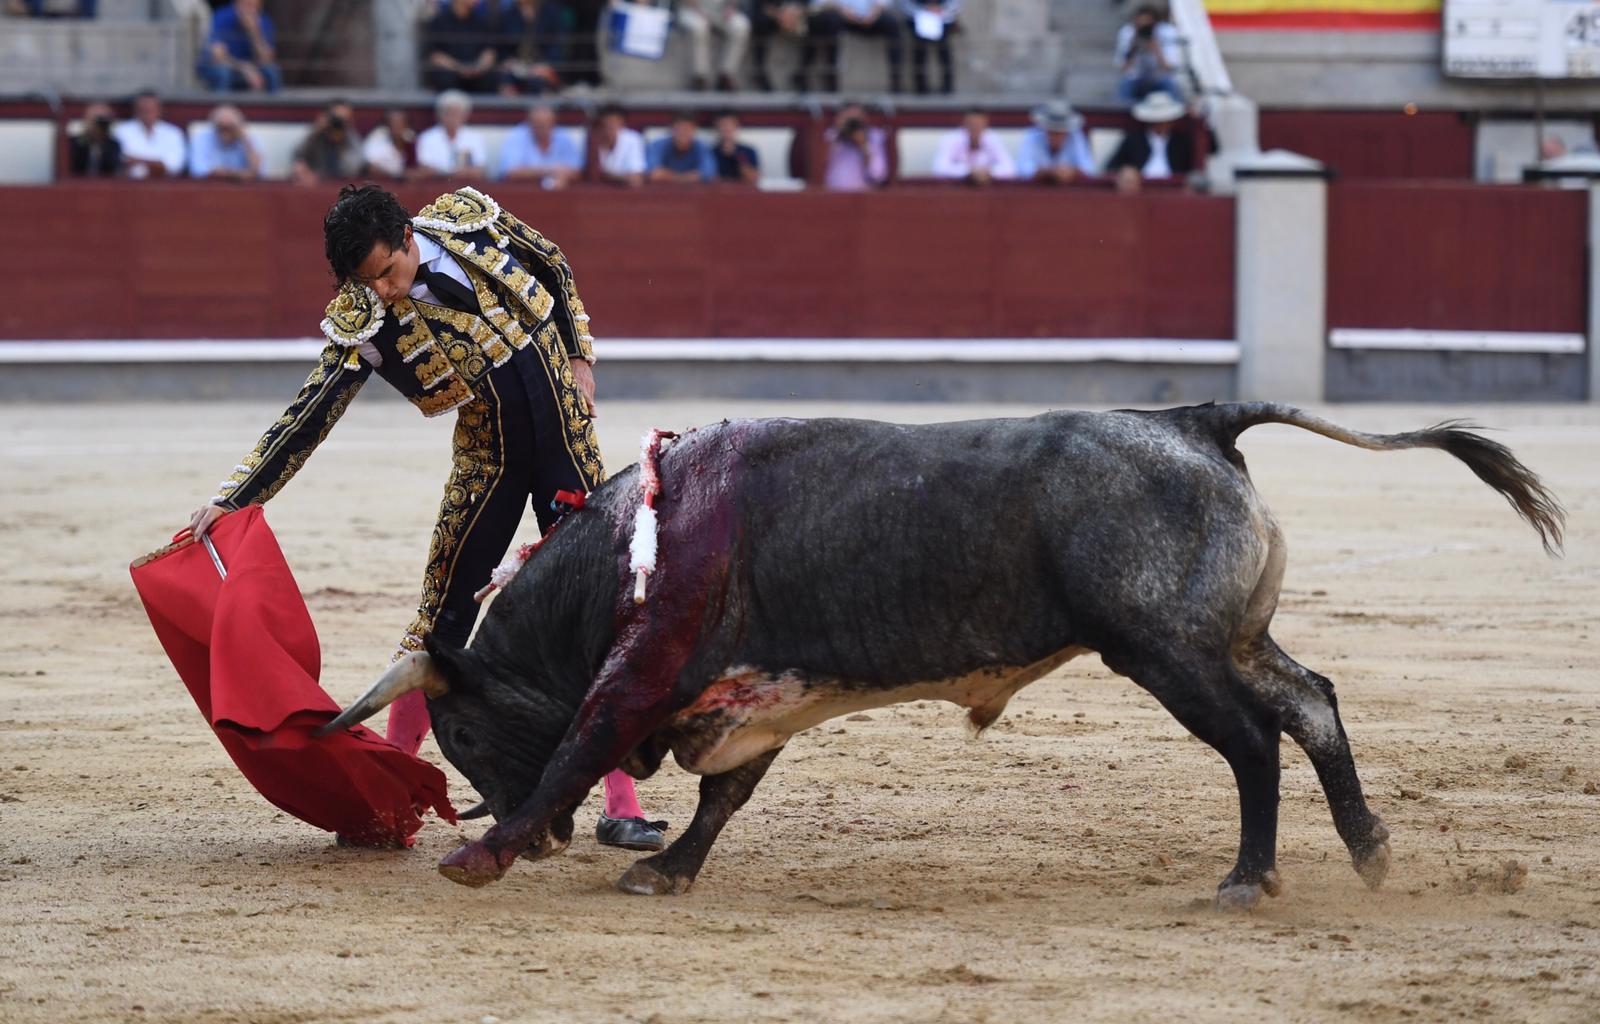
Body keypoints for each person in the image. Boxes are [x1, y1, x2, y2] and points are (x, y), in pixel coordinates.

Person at [186, 183, 669, 853]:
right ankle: (390, 796)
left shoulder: (469, 224)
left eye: (388, 271)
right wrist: (237, 496)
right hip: (488, 464)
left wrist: (581, 357)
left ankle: (623, 805)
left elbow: (553, 266)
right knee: (439, 624)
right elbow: (311, 412)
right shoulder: (366, 317)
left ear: (409, 238)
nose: (383, 291)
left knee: (599, 614)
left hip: (568, 446)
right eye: (368, 281)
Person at [800, 0, 907, 93]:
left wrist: (873, 14)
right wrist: (841, 10)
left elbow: (884, 2)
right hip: (839, 16)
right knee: (830, 22)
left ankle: (896, 78)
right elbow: (819, 3)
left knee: (892, 24)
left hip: (869, 17)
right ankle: (831, 77)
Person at [1105, 90, 1193, 194]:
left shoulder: (1180, 141)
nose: (1162, 123)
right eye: (1158, 120)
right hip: (1140, 190)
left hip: (1173, 190)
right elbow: (1111, 166)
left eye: (1165, 120)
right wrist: (1127, 171)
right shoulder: (1135, 139)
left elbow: (1211, 148)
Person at [197, 0, 283, 93]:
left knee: (272, 72)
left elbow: (267, 59)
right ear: (237, 4)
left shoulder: (264, 21)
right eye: (247, 5)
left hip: (252, 70)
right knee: (223, 72)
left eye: (255, 6)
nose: (250, 10)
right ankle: (221, 106)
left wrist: (255, 33)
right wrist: (243, 68)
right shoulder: (222, 17)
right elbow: (217, 56)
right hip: (223, 66)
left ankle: (269, 107)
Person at [497, 102, 585, 187]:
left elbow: (577, 171)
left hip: (559, 192)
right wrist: (550, 171)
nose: (542, 127)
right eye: (537, 123)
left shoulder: (563, 137)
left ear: (553, 123)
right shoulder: (516, 136)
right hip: (521, 191)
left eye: (546, 123)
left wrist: (560, 178)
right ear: (529, 122)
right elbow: (510, 173)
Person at [424, 0, 500, 94]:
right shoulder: (438, 21)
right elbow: (435, 55)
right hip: (451, 74)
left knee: (491, 78)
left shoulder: (482, 21)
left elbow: (490, 51)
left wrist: (479, 67)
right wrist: (459, 68)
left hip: (478, 74)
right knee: (443, 77)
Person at [676, 0, 750, 91]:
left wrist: (731, 8)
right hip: (692, 9)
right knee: (699, 27)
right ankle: (699, 77)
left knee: (740, 26)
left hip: (720, 10)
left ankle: (726, 75)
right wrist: (700, 11)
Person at [415, 90, 490, 180]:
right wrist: (449, 174)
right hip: (437, 185)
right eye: (448, 113)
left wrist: (463, 173)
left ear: (465, 116)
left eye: (456, 113)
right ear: (440, 115)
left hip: (466, 186)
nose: (452, 118)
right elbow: (424, 169)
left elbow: (481, 169)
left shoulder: (474, 138)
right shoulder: (427, 138)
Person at [1016, 99, 1095, 185]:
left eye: (1061, 132)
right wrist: (1047, 172)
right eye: (1052, 131)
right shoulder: (1033, 136)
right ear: (1045, 128)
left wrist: (1072, 171)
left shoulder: (1075, 137)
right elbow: (1023, 169)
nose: (1057, 136)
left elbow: (1089, 169)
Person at [1114, 4, 1182, 104]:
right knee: (1124, 85)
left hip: (1159, 79)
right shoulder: (1128, 33)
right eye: (1141, 25)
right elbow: (1124, 69)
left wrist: (1157, 51)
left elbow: (1169, 68)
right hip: (1135, 79)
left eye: (1148, 26)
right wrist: (1132, 49)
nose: (1145, 29)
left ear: (1155, 24)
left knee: (1171, 85)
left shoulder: (1167, 32)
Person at [495, 0, 565, 95]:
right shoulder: (508, 14)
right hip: (516, 68)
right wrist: (507, 61)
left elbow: (558, 45)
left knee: (541, 86)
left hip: (542, 68)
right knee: (505, 83)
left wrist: (547, 66)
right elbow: (501, 47)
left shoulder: (551, 13)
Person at [930, 108, 1015, 184]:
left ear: (985, 125)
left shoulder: (992, 138)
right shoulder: (951, 139)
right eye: (971, 124)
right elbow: (939, 168)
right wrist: (968, 172)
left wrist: (989, 172)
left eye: (979, 124)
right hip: (957, 190)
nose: (975, 128)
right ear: (964, 124)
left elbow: (1010, 167)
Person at [113, 91, 186, 180]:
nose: (146, 114)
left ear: (159, 110)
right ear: (135, 111)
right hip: (130, 185)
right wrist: (157, 164)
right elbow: (123, 161)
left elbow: (173, 166)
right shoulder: (121, 131)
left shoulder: (173, 133)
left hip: (165, 186)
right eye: (142, 110)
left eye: (150, 110)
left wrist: (138, 161)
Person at [291, 100, 367, 186]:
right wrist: (317, 131)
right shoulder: (315, 135)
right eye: (336, 118)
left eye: (344, 119)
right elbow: (297, 156)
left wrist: (342, 144)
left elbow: (353, 169)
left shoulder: (351, 138)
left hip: (341, 187)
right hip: (315, 185)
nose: (339, 123)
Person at [822, 100, 886, 191]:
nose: (852, 125)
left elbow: (878, 174)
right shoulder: (831, 136)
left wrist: (863, 145)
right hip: (833, 195)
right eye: (849, 120)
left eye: (856, 120)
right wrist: (839, 133)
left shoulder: (874, 137)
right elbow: (819, 166)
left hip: (863, 197)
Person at [188, 104, 262, 181]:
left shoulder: (248, 139)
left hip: (244, 189)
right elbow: (198, 170)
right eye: (221, 127)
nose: (225, 132)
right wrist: (238, 174)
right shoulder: (202, 138)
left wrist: (246, 141)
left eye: (230, 127)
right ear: (214, 126)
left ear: (239, 127)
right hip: (211, 188)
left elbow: (259, 171)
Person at [900, 0, 958, 95]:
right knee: (920, 51)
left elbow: (955, 3)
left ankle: (947, 85)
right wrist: (924, 11)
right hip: (918, 19)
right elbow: (905, 4)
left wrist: (941, 10)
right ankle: (921, 86)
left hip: (943, 19)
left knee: (944, 52)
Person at [748, 0, 806, 92]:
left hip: (794, 12)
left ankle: (801, 74)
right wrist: (778, 12)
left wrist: (792, 10)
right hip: (767, 12)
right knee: (762, 23)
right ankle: (761, 73)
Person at [647, 111, 716, 184]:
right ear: (672, 129)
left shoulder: (702, 147)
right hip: (663, 193)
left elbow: (708, 174)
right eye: (679, 129)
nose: (683, 133)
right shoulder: (658, 145)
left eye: (687, 129)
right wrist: (687, 177)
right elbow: (653, 173)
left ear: (694, 130)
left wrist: (670, 176)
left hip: (694, 193)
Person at [593, 103, 646, 187]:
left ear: (622, 123)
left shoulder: (633, 139)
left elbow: (636, 179)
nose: (609, 128)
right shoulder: (593, 140)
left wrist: (607, 176)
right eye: (605, 125)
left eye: (613, 124)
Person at [68, 101, 121, 177]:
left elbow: (112, 170)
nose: (98, 124)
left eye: (102, 120)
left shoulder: (113, 145)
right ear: (86, 120)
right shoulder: (74, 143)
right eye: (94, 119)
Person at [363, 108, 418, 180]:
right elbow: (371, 168)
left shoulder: (412, 141)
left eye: (401, 123)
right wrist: (396, 175)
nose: (397, 127)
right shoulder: (377, 141)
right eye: (394, 123)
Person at [710, 109, 760, 184]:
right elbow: (709, 179)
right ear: (716, 126)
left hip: (744, 193)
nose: (726, 128)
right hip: (717, 194)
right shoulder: (710, 152)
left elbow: (753, 178)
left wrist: (738, 155)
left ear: (737, 126)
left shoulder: (748, 151)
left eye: (730, 124)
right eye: (722, 124)